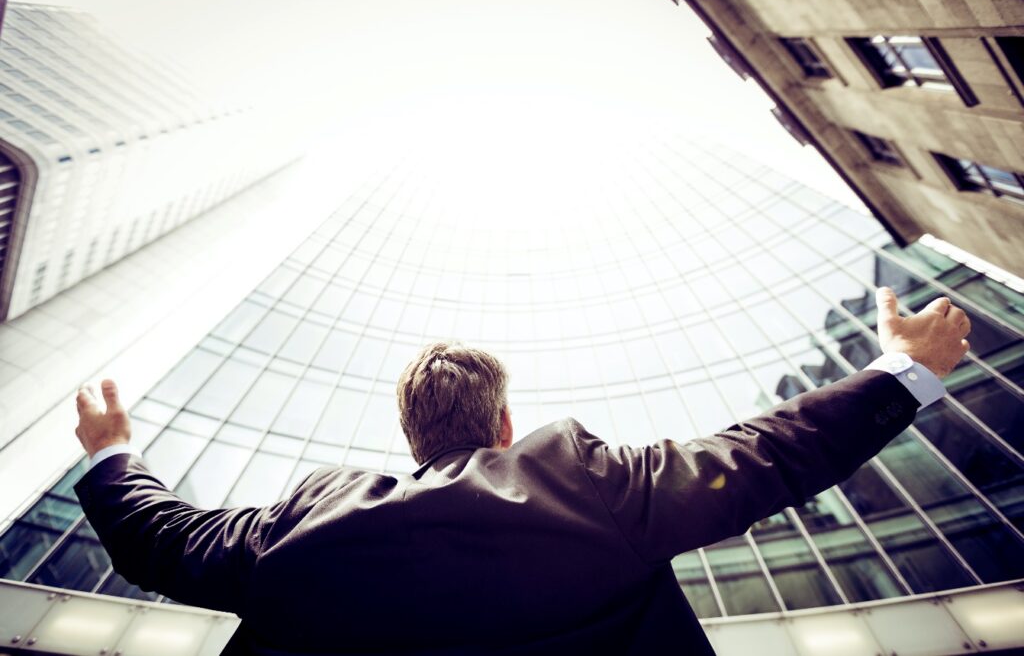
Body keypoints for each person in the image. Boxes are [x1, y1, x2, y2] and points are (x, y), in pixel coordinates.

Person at [73, 287, 970, 655]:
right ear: (504, 424)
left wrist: (115, 449)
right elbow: (761, 455)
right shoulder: (580, 479)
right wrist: (901, 370)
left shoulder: (302, 526)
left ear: (412, 437)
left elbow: (159, 541)